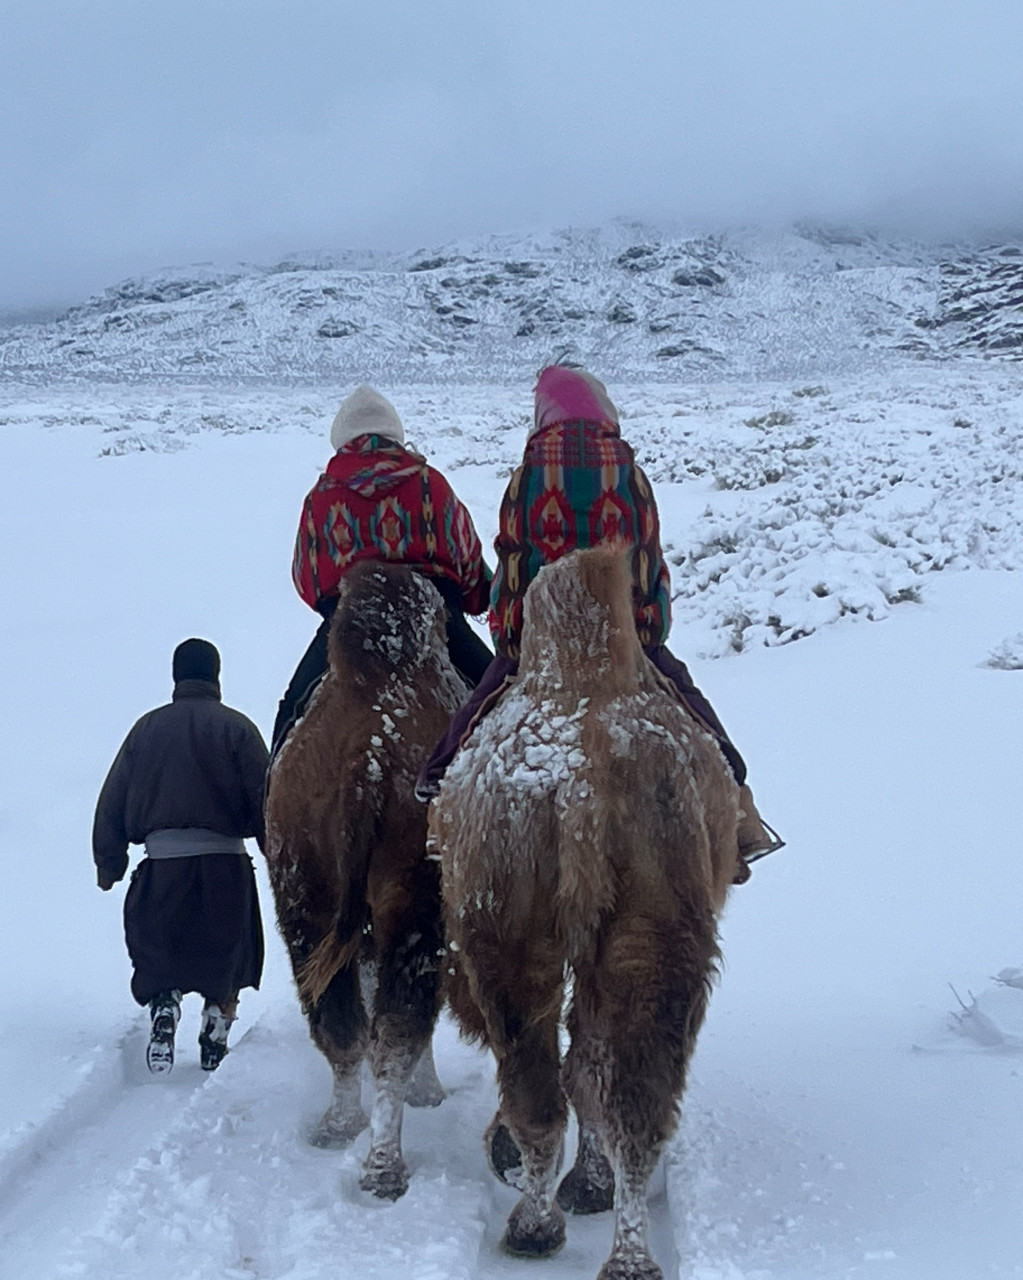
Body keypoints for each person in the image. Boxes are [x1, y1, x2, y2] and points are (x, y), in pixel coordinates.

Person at [416, 365, 783, 880]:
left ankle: (441, 796)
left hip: (544, 638)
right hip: (624, 634)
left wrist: (512, 640)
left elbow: (514, 560)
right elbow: (649, 562)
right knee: (693, 708)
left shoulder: (526, 477)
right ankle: (740, 808)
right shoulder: (631, 475)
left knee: (478, 709)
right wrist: (648, 633)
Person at [272, 384, 493, 752]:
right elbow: (467, 557)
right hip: (435, 614)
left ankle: (270, 783)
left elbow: (306, 578)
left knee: (292, 712)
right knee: (499, 698)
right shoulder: (432, 485)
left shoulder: (322, 496)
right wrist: (470, 598)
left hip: (348, 619)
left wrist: (335, 607)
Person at [93, 638, 269, 1074]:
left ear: (176, 676)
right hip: (226, 868)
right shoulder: (238, 729)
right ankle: (216, 1026)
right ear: (216, 675)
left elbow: (112, 799)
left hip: (162, 868)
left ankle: (165, 1006)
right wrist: (280, 856)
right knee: (227, 960)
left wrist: (109, 862)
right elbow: (269, 800)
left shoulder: (146, 730)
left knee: (160, 952)